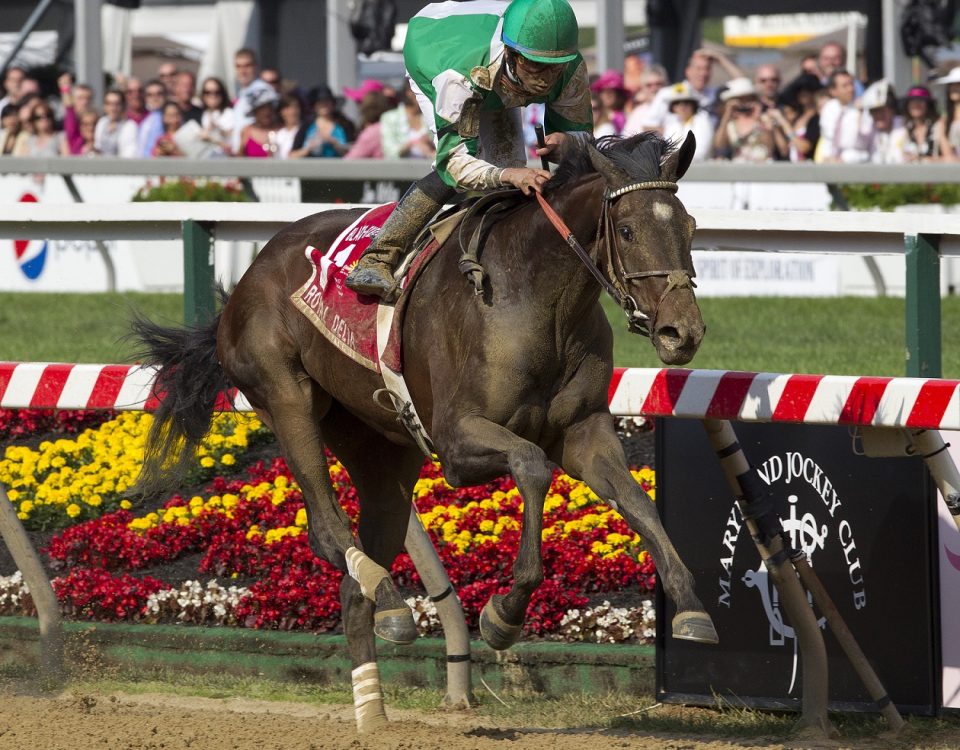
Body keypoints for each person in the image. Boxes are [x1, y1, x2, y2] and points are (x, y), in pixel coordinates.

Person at [345, 0, 593, 302]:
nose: (544, 80)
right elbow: (454, 164)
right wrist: (508, 174)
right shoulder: (457, 75)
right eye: (535, 66)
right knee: (491, 167)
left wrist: (568, 143)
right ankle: (378, 257)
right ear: (512, 54)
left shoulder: (570, 65)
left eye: (555, 68)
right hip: (433, 48)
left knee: (515, 168)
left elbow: (584, 141)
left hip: (491, 59)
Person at [713, 77, 776, 162]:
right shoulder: (730, 124)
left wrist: (758, 119)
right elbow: (719, 145)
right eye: (740, 99)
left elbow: (770, 147)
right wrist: (727, 114)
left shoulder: (764, 119)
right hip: (738, 170)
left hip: (762, 167)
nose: (744, 103)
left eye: (748, 98)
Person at [815, 69, 870, 163]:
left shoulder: (864, 109)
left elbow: (865, 144)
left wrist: (844, 159)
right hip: (831, 165)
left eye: (851, 84)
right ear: (833, 91)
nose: (850, 89)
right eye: (845, 86)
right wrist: (827, 158)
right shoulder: (829, 108)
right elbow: (827, 139)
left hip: (856, 165)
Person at [230, 48, 276, 154]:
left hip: (257, 153)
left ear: (256, 67)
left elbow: (271, 122)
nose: (243, 71)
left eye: (247, 66)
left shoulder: (262, 91)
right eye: (238, 66)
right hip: (242, 155)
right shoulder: (243, 93)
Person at [289, 84, 350, 158]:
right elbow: (292, 155)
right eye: (320, 102)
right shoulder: (306, 126)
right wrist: (309, 149)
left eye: (327, 101)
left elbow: (355, 153)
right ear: (314, 105)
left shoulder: (345, 124)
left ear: (333, 103)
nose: (324, 105)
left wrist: (335, 143)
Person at [379, 80, 434, 159]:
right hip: (401, 169)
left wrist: (429, 144)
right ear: (409, 92)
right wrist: (412, 144)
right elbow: (389, 151)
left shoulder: (430, 117)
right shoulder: (389, 117)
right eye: (423, 91)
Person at [660, 83, 713, 161]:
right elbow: (667, 151)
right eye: (677, 103)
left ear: (693, 105)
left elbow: (701, 153)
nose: (682, 106)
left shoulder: (702, 120)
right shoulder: (671, 125)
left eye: (686, 102)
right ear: (673, 107)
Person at [777, 72, 822, 162]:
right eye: (800, 90)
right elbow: (784, 150)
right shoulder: (796, 118)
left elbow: (804, 147)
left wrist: (782, 121)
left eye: (808, 90)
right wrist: (776, 128)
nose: (803, 94)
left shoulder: (816, 119)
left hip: (808, 168)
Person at [861, 79, 908, 164]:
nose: (878, 115)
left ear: (892, 109)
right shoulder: (868, 129)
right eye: (874, 111)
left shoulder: (905, 127)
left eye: (881, 111)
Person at [345, 90, 393, 158]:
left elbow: (349, 161)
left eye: (359, 103)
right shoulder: (394, 126)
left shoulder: (372, 133)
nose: (359, 107)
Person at [623, 65, 668, 136]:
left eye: (658, 84)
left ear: (666, 84)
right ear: (642, 88)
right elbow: (626, 139)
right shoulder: (637, 113)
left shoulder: (674, 108)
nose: (654, 89)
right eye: (649, 85)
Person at [95, 88, 138, 156]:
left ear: (123, 106)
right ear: (104, 106)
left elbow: (129, 155)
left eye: (117, 104)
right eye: (109, 104)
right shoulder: (102, 122)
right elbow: (98, 146)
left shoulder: (130, 126)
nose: (113, 108)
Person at [237, 87, 279, 157]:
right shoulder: (246, 131)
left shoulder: (281, 129)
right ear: (255, 111)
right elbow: (239, 157)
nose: (266, 112)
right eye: (262, 108)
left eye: (269, 107)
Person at [198, 76, 235, 156]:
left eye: (217, 92)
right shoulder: (204, 115)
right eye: (207, 92)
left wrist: (215, 133)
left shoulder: (229, 113)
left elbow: (233, 141)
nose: (213, 96)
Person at [901, 85, 939, 161]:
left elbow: (950, 158)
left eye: (920, 101)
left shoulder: (937, 126)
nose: (916, 105)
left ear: (928, 105)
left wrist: (927, 160)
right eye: (912, 101)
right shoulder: (905, 128)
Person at [933, 66, 960, 161]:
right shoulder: (945, 119)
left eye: (958, 84)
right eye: (952, 84)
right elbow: (947, 154)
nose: (954, 88)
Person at [590, 70, 629, 135]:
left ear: (618, 94)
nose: (606, 95)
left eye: (610, 92)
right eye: (603, 91)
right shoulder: (597, 113)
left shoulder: (619, 118)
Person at [274, 92, 303, 159]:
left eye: (296, 107)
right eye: (288, 108)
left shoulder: (306, 131)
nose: (292, 112)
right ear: (281, 112)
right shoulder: (278, 134)